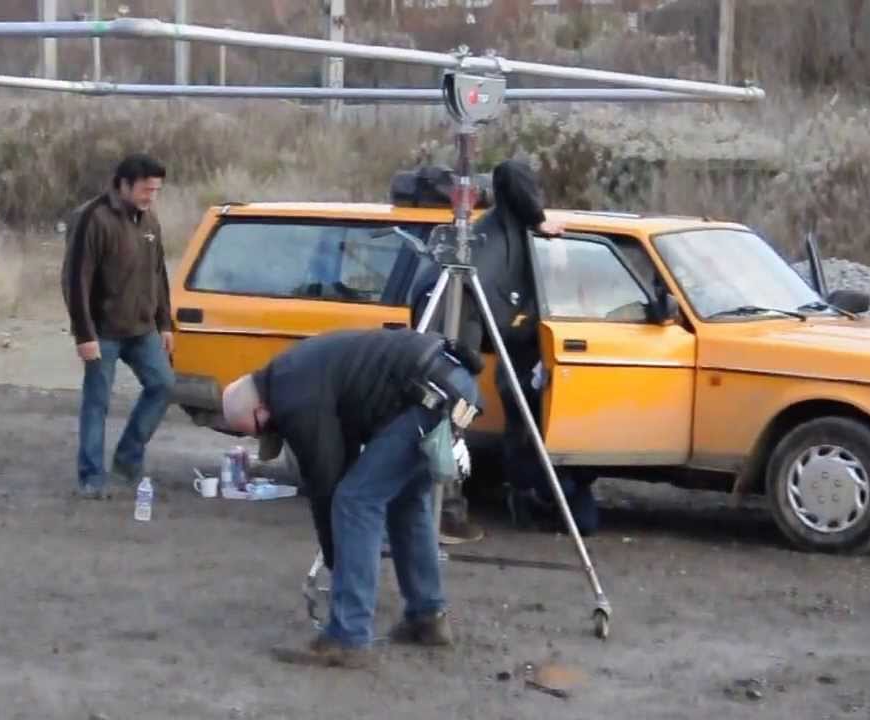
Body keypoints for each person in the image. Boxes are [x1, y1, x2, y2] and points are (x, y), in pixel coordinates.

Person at [221, 328, 482, 668]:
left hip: (429, 397)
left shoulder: (294, 398)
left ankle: (348, 637)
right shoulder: (293, 374)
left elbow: (324, 482)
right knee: (406, 501)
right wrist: (342, 551)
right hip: (449, 386)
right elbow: (339, 455)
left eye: (259, 430)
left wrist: (337, 555)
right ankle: (427, 617)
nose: (269, 434)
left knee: (355, 502)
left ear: (260, 409)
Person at [410, 158, 600, 538]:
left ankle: (440, 507)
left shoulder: (501, 233)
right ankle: (442, 510)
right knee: (448, 414)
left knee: (449, 414)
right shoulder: (491, 241)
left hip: (456, 320)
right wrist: (539, 219)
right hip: (450, 321)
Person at [62, 153, 176, 499]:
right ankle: (91, 478)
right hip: (103, 332)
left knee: (164, 385)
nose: (150, 197)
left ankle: (127, 460)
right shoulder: (92, 218)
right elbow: (75, 280)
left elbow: (159, 274)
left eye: (155, 191)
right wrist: (84, 334)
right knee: (97, 403)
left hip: (143, 329)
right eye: (145, 190)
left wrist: (165, 323)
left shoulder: (149, 221)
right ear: (124, 184)